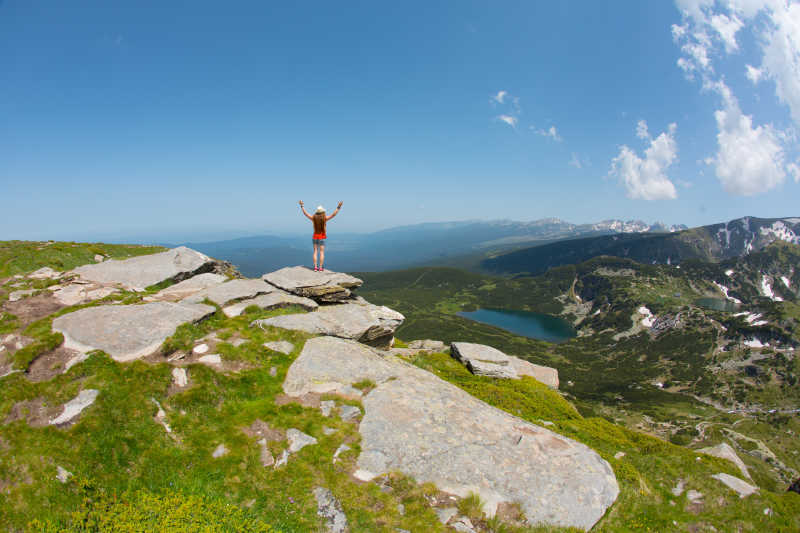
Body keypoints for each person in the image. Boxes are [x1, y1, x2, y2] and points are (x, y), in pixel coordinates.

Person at [299, 200, 342, 271]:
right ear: (323, 212)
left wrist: (302, 206)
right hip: (322, 236)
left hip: (315, 236)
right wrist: (338, 207)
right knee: (321, 252)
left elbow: (305, 214)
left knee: (315, 251)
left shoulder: (313, 218)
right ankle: (320, 268)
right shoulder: (324, 219)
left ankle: (315, 267)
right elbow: (333, 215)